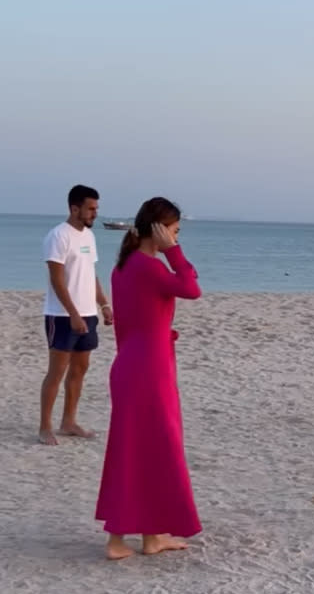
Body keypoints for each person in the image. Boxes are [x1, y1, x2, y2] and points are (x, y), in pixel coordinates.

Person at [95, 197, 202, 559]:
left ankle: (125, 538)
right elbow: (191, 288)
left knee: (132, 449)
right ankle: (146, 536)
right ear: (158, 229)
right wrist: (174, 252)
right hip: (149, 369)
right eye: (173, 231)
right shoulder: (149, 267)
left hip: (129, 364)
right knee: (158, 447)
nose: (175, 237)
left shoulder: (123, 267)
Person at [39, 184, 113, 446]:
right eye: (91, 209)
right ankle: (45, 427)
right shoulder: (58, 236)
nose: (95, 213)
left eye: (96, 208)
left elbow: (89, 275)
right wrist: (72, 314)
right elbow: (57, 279)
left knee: (80, 369)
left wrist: (103, 304)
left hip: (87, 313)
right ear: (74, 208)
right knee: (56, 372)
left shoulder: (88, 238)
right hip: (61, 316)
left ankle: (68, 421)